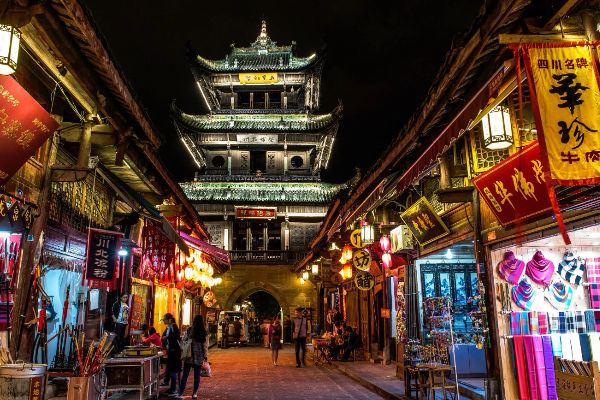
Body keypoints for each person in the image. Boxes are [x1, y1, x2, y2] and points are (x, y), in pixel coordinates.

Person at [178, 315, 208, 399]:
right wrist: (205, 356)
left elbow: (183, 340)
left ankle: (180, 393)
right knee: (197, 376)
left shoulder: (189, 330)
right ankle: (194, 394)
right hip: (199, 356)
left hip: (189, 355)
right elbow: (205, 346)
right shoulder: (204, 332)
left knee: (185, 375)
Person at [161, 313, 181, 396]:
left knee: (173, 370)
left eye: (164, 319)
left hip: (175, 351)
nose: (163, 321)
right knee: (170, 369)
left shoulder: (173, 326)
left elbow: (176, 337)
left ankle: (173, 389)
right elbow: (164, 335)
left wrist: (167, 337)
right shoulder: (168, 327)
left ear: (169, 320)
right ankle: (171, 387)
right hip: (171, 351)